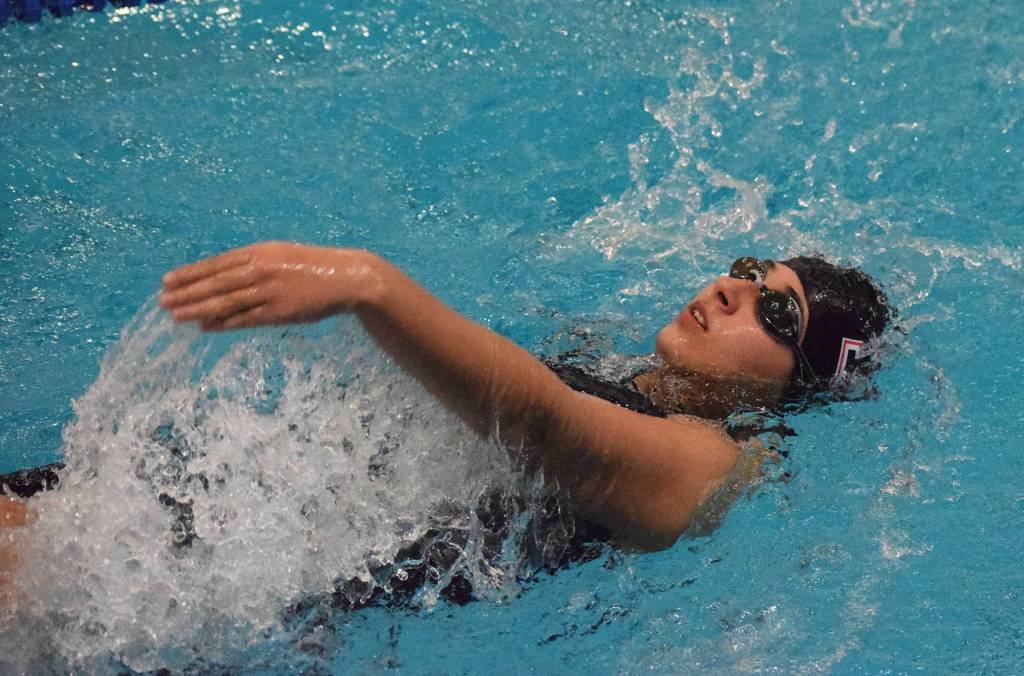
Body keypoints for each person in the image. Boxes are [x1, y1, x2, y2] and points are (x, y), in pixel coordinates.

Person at [0, 241, 892, 608]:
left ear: (795, 391)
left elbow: (542, 423)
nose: (734, 290)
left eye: (776, 317)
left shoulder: (707, 467)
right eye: (747, 270)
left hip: (226, 585)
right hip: (228, 497)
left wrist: (369, 285)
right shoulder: (621, 368)